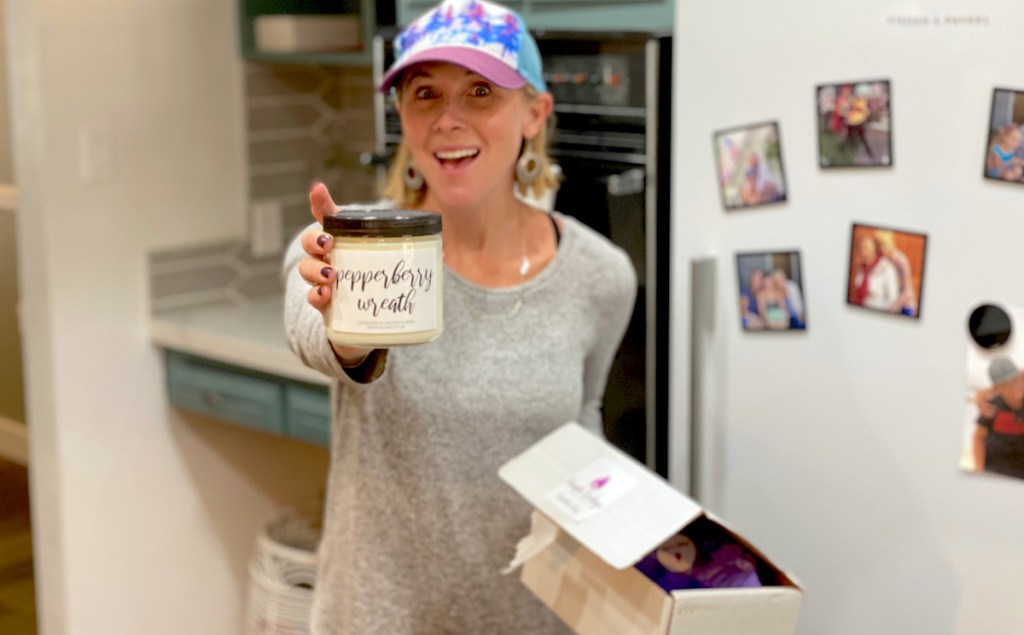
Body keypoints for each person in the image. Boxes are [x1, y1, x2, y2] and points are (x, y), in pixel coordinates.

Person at [282, 1, 637, 632]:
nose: (449, 119)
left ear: (534, 112)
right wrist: (344, 315)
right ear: (402, 114)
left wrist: (637, 529)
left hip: (533, 618)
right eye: (425, 93)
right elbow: (324, 342)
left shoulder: (601, 277)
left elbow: (582, 421)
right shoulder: (351, 246)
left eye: (480, 91)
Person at [972, 357, 1024, 479]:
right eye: (1006, 384)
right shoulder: (991, 406)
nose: (1014, 387)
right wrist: (979, 469)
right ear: (996, 389)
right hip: (994, 473)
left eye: (1016, 380)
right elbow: (978, 438)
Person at [849, 234, 899, 311]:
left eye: (866, 248)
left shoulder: (887, 268)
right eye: (861, 248)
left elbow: (893, 299)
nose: (863, 251)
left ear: (875, 249)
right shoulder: (860, 266)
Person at [874, 229, 916, 317]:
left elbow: (907, 291)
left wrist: (892, 308)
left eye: (884, 245)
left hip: (906, 306)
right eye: (879, 246)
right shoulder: (882, 260)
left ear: (891, 242)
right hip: (889, 303)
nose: (882, 249)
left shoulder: (901, 260)